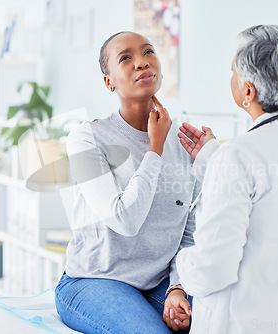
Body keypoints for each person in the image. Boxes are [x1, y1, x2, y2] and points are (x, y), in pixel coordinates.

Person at [176, 25, 278, 333]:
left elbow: (213, 269)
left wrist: (181, 262)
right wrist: (213, 158)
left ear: (248, 91)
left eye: (233, 71)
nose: (230, 76)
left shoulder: (236, 155)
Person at [55, 31, 198, 333]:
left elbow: (189, 231)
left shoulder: (185, 142)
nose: (142, 63)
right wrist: (155, 149)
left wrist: (177, 287)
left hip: (158, 282)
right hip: (95, 280)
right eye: (126, 59)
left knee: (224, 319)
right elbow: (124, 220)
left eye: (148, 53)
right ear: (109, 82)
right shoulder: (87, 138)